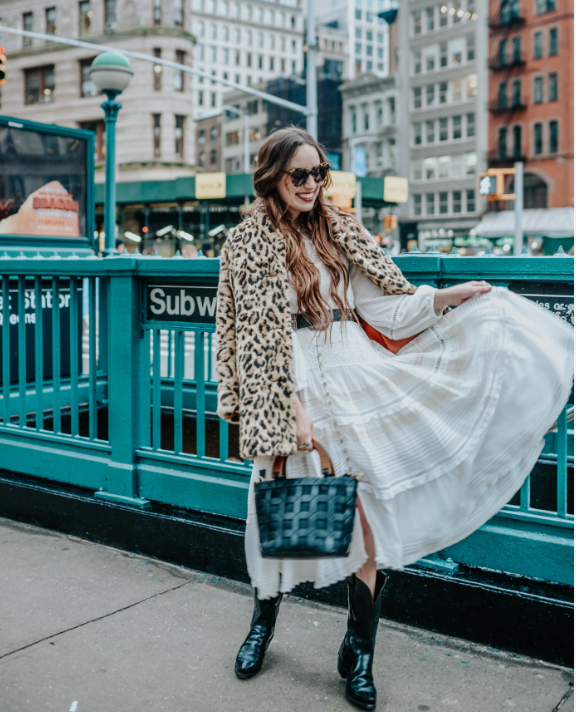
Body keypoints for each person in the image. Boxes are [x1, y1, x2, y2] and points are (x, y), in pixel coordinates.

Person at [215, 128, 573, 710]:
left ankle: (359, 651)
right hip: (290, 383)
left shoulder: (341, 232)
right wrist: (291, 408)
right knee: (275, 511)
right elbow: (249, 340)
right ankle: (262, 624)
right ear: (272, 177)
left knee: (372, 515)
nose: (311, 185)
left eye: (318, 173)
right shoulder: (245, 245)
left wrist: (444, 297)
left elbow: (385, 307)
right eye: (298, 175)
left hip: (357, 374)